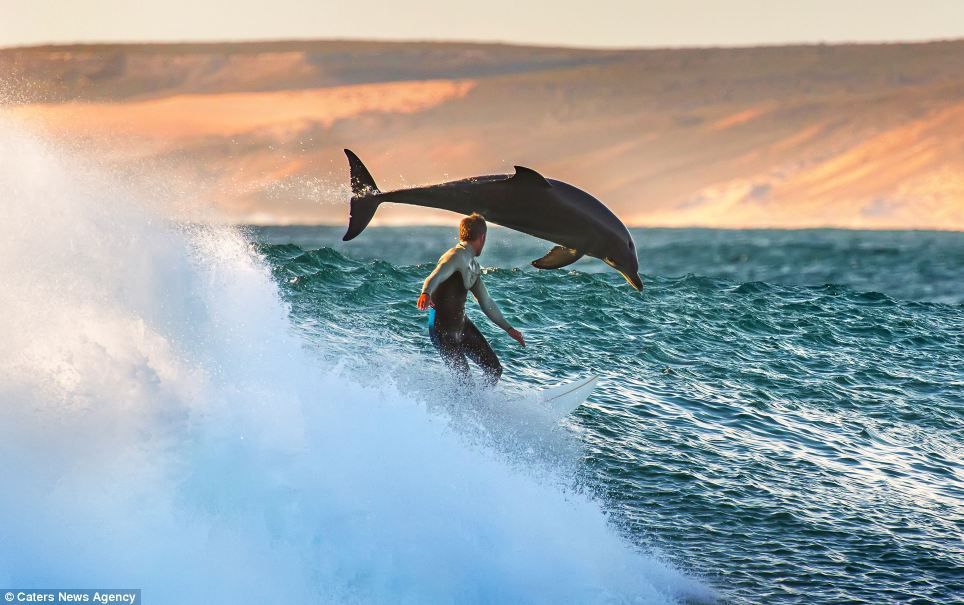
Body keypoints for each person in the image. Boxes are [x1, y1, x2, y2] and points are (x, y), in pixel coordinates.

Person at [417, 213, 525, 385]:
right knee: (465, 383)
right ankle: (456, 410)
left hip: (462, 327)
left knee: (494, 369)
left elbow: (486, 302)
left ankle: (479, 406)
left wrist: (509, 329)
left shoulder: (473, 266)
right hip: (442, 331)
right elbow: (435, 275)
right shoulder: (455, 256)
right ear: (482, 237)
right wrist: (426, 292)